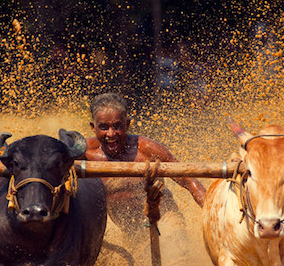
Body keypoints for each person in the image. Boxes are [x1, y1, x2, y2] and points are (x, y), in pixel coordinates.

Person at [85, 92, 205, 234]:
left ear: (127, 125)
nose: (111, 134)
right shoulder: (85, 153)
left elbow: (188, 179)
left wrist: (210, 209)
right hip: (131, 232)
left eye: (117, 126)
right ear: (93, 127)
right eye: (104, 127)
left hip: (163, 217)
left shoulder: (146, 149)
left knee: (176, 245)